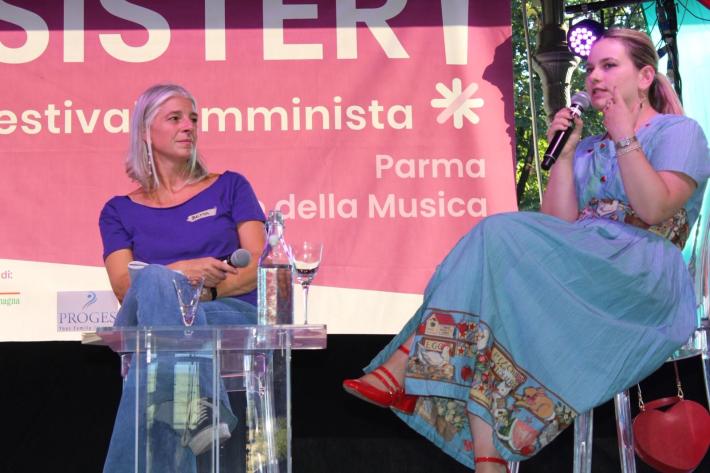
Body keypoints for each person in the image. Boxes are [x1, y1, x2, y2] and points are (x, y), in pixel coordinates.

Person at [343, 28, 710, 472]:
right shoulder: (588, 149)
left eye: (609, 66)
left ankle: (407, 363)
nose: (594, 76)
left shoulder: (680, 132)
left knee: (498, 233)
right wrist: (566, 156)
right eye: (591, 67)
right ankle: (488, 456)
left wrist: (624, 136)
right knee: (496, 290)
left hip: (641, 275)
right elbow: (556, 228)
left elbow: (653, 209)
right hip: (584, 268)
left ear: (646, 76)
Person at [98, 84, 266, 472]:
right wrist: (181, 274)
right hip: (155, 317)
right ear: (145, 131)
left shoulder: (230, 186)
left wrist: (198, 296)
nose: (188, 126)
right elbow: (124, 287)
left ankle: (186, 407)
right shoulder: (118, 210)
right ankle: (197, 408)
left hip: (225, 311)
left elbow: (257, 265)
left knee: (155, 371)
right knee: (153, 280)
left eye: (192, 118)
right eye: (174, 118)